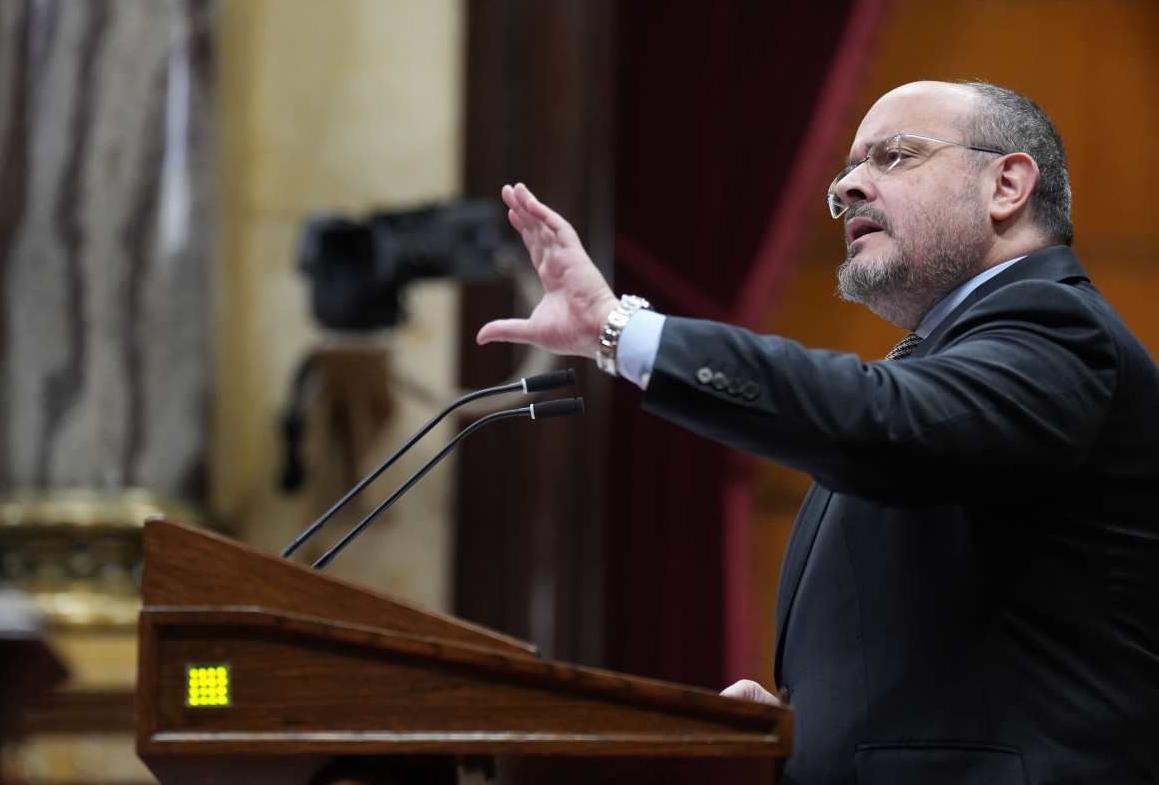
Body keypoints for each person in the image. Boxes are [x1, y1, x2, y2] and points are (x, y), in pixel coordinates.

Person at [476, 80, 1159, 784]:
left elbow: (881, 426)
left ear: (1007, 184)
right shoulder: (944, 362)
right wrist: (810, 723)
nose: (851, 189)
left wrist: (620, 332)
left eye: (894, 157)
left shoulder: (1059, 330)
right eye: (846, 175)